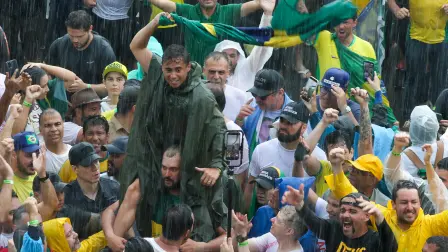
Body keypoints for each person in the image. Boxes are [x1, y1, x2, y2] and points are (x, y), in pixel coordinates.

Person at [124, 12, 227, 239]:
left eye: (178, 70)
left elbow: (220, 130)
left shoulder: (203, 96)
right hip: (160, 154)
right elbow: (136, 45)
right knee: (133, 190)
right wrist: (155, 22)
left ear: (188, 67)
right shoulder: (158, 76)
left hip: (192, 160)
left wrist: (217, 167)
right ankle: (119, 243)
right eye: (168, 70)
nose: (173, 75)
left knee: (192, 215)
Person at [244, 102, 326, 211]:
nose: (283, 126)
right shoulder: (261, 150)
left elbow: (322, 200)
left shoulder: (318, 155)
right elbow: (249, 190)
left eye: (290, 123)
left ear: (303, 128)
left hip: (304, 222)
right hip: (268, 221)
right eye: (282, 121)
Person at [149, 0, 271, 64]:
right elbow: (161, 3)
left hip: (220, 74)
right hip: (193, 72)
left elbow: (253, 4)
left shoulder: (228, 11)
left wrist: (262, 3)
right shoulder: (187, 11)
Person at [283, 186, 398, 252]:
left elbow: (391, 247)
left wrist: (379, 217)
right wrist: (300, 205)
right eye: (343, 210)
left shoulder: (375, 240)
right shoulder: (333, 229)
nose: (345, 215)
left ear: (366, 216)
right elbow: (314, 222)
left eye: (352, 211)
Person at [388, 0, 448, 118]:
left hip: (442, 40)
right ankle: (408, 118)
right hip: (416, 38)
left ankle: (439, 119)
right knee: (413, 81)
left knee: (440, 83)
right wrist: (397, 10)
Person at [47, 10, 116, 97]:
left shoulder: (104, 50)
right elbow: (47, 73)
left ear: (90, 29)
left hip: (93, 101)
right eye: (71, 36)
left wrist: (86, 87)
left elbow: (112, 87)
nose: (75, 40)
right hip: (63, 100)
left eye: (79, 36)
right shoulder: (59, 44)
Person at [213, 5, 274, 94]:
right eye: (225, 55)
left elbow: (262, 46)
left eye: (232, 55)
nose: (228, 59)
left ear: (238, 57)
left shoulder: (248, 68)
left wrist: (267, 15)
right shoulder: (211, 76)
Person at [236, 69, 293, 156]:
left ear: (280, 92)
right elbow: (238, 140)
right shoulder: (251, 107)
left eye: (263, 96)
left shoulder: (295, 113)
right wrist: (239, 119)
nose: (257, 99)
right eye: (254, 94)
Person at [11, 63, 76, 136]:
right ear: (32, 86)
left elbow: (71, 78)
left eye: (47, 84)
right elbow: (15, 134)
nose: (47, 89)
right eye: (44, 86)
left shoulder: (47, 93)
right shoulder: (16, 102)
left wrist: (42, 66)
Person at [63, 142, 119, 214]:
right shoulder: (66, 197)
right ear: (75, 169)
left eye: (96, 161)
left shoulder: (114, 188)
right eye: (88, 164)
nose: (95, 168)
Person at [231, 205, 306, 252]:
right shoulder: (273, 238)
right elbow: (239, 246)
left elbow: (242, 245)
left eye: (278, 220)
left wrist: (242, 235)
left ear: (289, 231)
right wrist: (238, 231)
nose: (271, 220)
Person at [59, 116, 110, 183]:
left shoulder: (115, 161)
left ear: (107, 136)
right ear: (83, 137)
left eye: (99, 133)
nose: (95, 138)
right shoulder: (71, 164)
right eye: (90, 133)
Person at [203, 51, 246, 121]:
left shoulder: (239, 96)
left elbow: (241, 129)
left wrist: (240, 119)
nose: (216, 77)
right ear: (204, 71)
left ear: (228, 72)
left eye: (221, 72)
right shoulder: (195, 94)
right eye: (212, 72)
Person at [11, 131, 44, 203]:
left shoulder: (39, 177)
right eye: (29, 155)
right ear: (14, 154)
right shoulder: (7, 182)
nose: (34, 161)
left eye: (37, 154)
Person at [39, 109, 71, 174]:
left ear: (63, 125)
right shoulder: (37, 154)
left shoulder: (73, 153)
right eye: (47, 125)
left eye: (57, 124)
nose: (53, 129)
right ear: (40, 129)